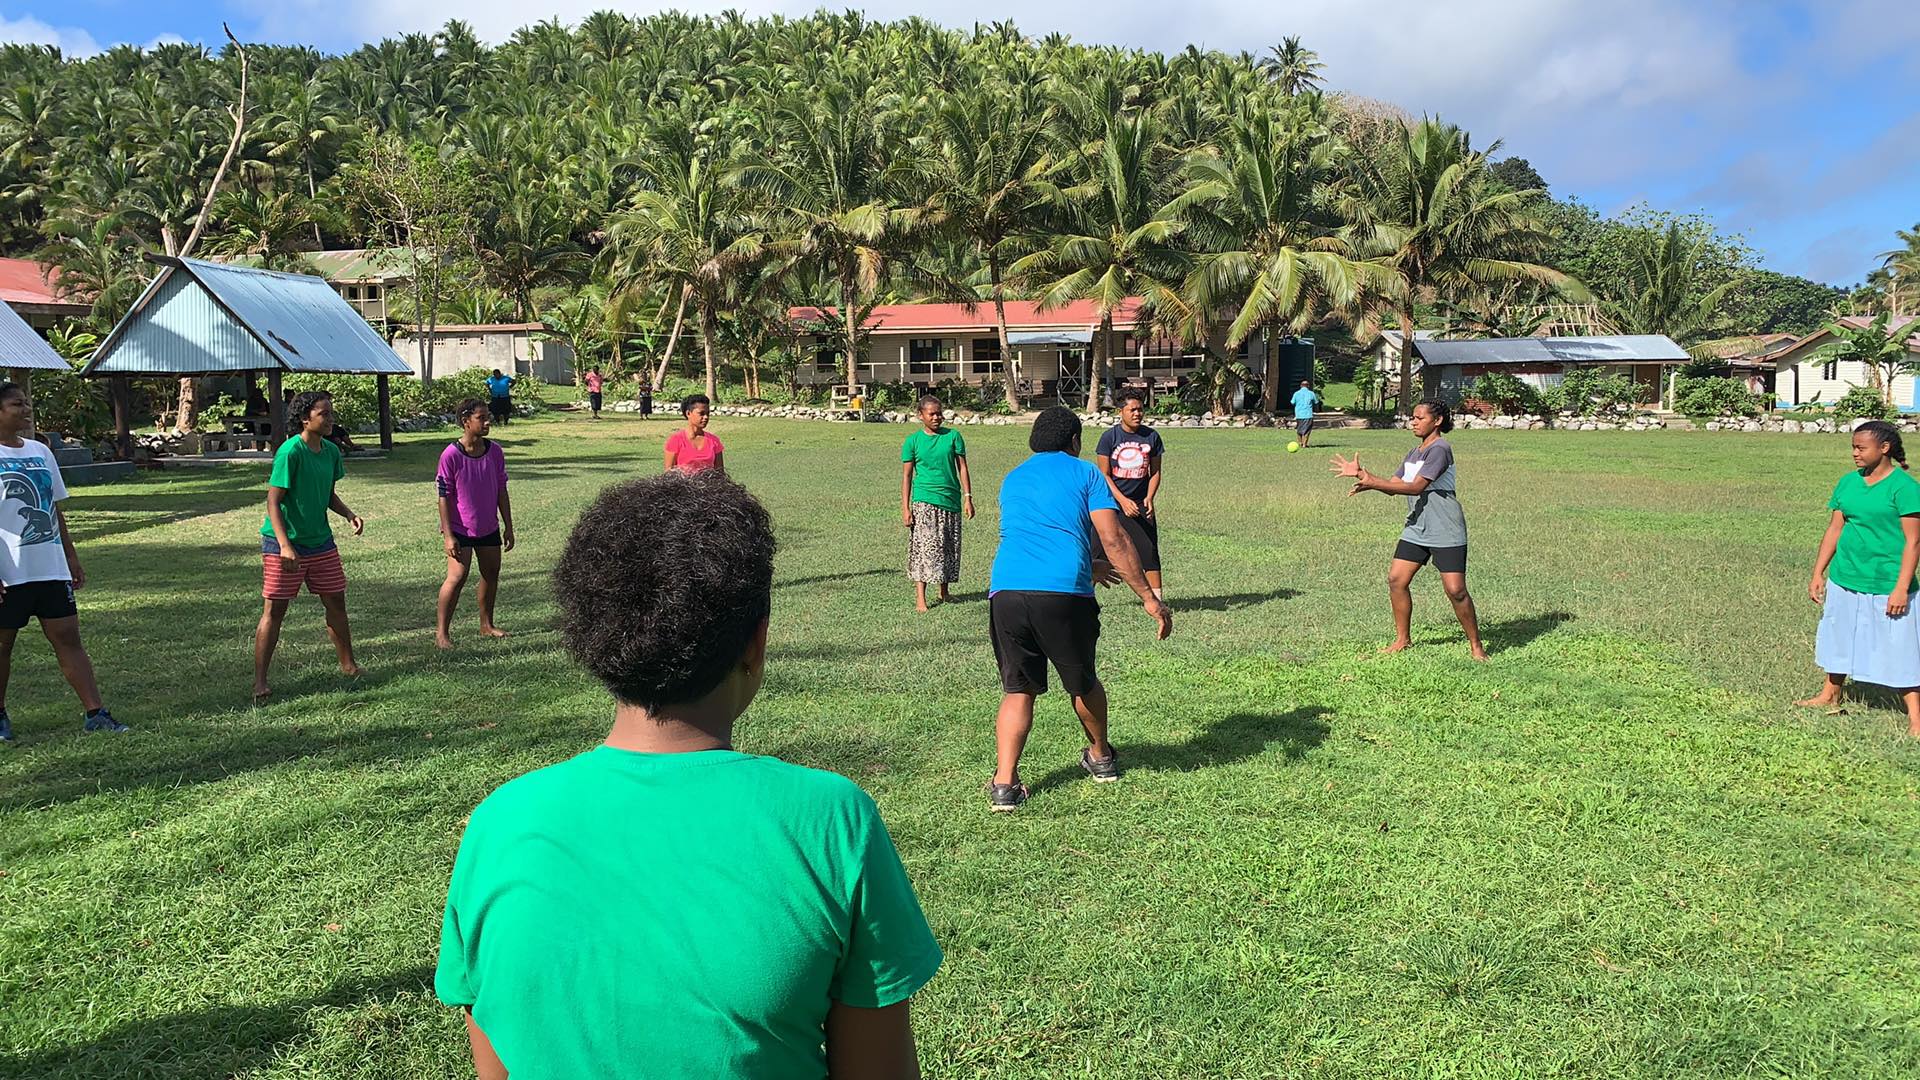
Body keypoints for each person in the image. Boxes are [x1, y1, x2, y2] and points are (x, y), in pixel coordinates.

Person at [435, 471, 942, 1078]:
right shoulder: (832, 820)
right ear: (755, 643)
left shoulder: (499, 821)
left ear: (589, 639)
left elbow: (497, 1060)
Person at [986, 406, 1173, 812]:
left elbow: (1039, 535)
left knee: (1018, 690)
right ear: (1074, 441)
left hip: (1006, 591)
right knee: (1083, 681)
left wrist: (1090, 565)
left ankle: (1004, 785)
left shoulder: (1013, 478)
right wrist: (1148, 597)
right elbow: (1114, 537)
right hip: (1064, 595)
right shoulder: (1086, 472)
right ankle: (1101, 756)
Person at [0, 382, 124, 740]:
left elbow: (52, 507)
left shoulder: (40, 451)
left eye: (26, 403)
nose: (25, 409)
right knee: (2, 643)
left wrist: (69, 556)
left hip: (49, 566)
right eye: (16, 404)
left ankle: (95, 713)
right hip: (10, 571)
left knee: (68, 637)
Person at [1330, 398, 1487, 661]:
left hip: (1445, 526)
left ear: (1437, 421)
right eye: (1412, 417)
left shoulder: (1440, 449)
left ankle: (1476, 646)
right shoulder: (1414, 453)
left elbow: (1415, 487)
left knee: (1455, 590)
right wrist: (1365, 478)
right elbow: (1394, 485)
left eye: (1419, 417)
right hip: (1416, 525)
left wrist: (1370, 480)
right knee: (1396, 580)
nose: (1413, 422)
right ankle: (1403, 640)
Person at [1797, 419, 1920, 735]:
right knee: (1838, 636)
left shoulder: (1904, 489)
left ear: (1884, 448)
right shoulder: (1848, 483)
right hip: (1845, 577)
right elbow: (1835, 529)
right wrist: (1818, 572)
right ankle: (1830, 694)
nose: (1855, 453)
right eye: (1853, 447)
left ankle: (1916, 716)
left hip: (1886, 582)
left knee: (1901, 646)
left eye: (1860, 447)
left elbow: (1913, 542)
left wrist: (1901, 588)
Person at [253, 390, 364, 702]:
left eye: (330, 414)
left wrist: (348, 514)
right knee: (275, 610)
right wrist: (286, 546)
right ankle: (260, 682)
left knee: (336, 604)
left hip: (320, 542)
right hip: (284, 544)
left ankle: (349, 666)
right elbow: (273, 502)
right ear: (305, 418)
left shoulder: (330, 452)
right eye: (323, 414)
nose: (330, 420)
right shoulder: (291, 452)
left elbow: (327, 493)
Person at [435, 400, 515, 649]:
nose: (487, 421)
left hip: (488, 527)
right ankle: (442, 634)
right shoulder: (451, 454)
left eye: (488, 417)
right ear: (465, 421)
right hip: (461, 529)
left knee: (491, 574)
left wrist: (508, 525)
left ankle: (486, 625)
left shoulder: (495, 452)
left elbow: (502, 489)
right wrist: (449, 535)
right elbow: (443, 496)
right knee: (457, 576)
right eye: (481, 418)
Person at [900, 395, 973, 611]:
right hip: (924, 500)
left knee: (948, 546)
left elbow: (962, 468)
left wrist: (968, 497)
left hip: (950, 500)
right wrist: (905, 508)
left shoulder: (953, 437)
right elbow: (906, 476)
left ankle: (944, 591)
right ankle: (920, 597)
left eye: (939, 413)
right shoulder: (912, 442)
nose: (936, 417)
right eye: (931, 414)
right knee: (924, 547)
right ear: (920, 415)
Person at [1095, 389, 1165, 600]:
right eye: (1132, 409)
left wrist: (1149, 497)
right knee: (1094, 551)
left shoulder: (1151, 436)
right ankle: (1080, 596)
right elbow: (1104, 475)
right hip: (1112, 504)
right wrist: (1122, 501)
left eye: (1140, 409)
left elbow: (1155, 472)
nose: (1137, 413)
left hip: (1140, 503)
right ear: (1120, 412)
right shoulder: (1109, 437)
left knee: (1149, 552)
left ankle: (1157, 601)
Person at [664, 393, 725, 475]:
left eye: (707, 413)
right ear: (688, 413)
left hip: (709, 486)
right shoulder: (675, 441)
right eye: (701, 413)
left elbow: (720, 474)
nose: (706, 417)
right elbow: (668, 474)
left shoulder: (714, 441)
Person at [1290, 379, 1321, 448]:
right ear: (1308, 386)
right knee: (1307, 430)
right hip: (1308, 415)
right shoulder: (1311, 393)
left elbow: (1292, 402)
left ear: (1301, 386)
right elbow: (1316, 402)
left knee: (1299, 430)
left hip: (1299, 415)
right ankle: (1304, 444)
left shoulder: (1296, 393)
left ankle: (1300, 443)